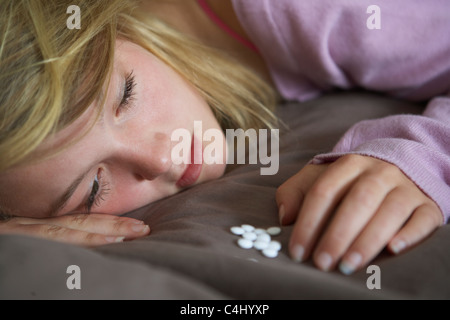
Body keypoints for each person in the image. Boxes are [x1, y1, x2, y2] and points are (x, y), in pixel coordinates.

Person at [0, 0, 448, 276]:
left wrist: (423, 152)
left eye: (126, 95)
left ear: (119, 26)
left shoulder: (319, 12)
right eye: (93, 189)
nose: (158, 158)